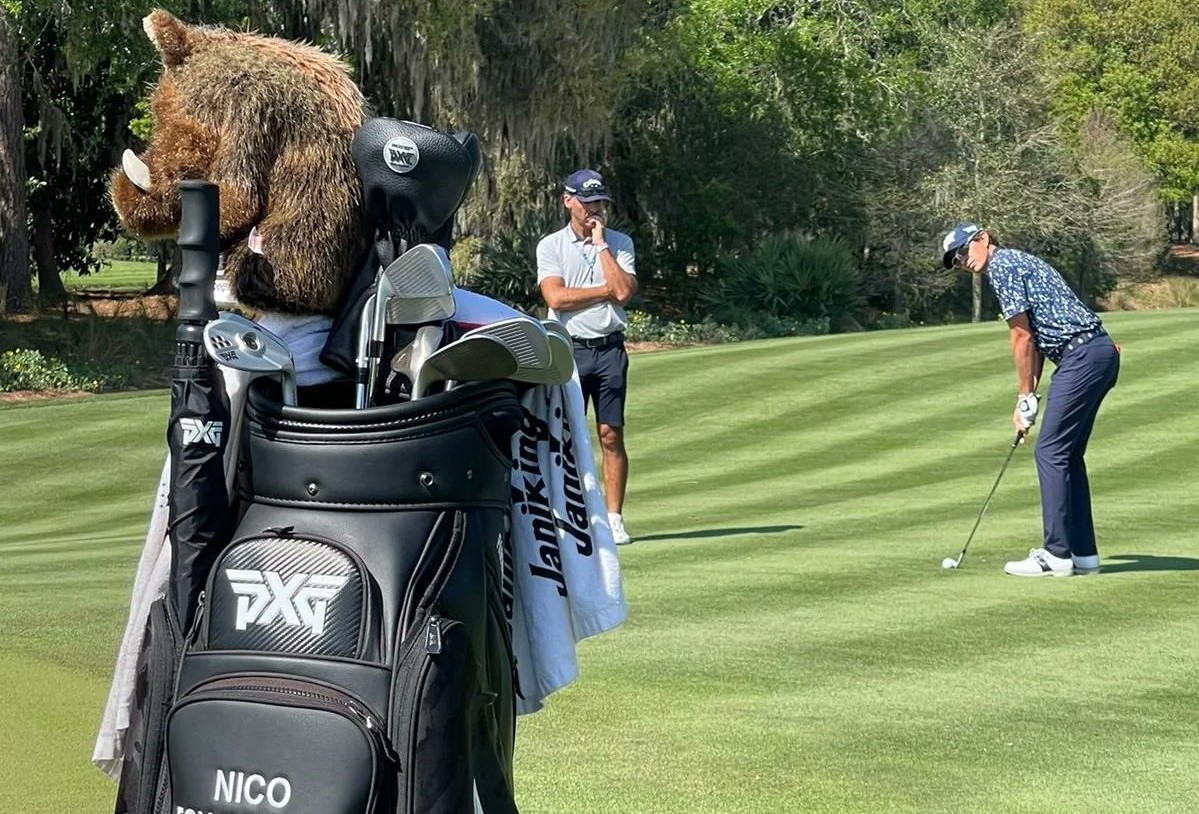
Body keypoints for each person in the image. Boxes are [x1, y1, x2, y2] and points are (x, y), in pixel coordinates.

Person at [942, 224, 1120, 576]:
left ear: (983, 238)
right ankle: (1083, 554)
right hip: (1097, 353)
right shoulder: (1018, 262)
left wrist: (1025, 393)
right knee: (1067, 455)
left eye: (963, 251)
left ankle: (1055, 554)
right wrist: (1029, 397)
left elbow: (1021, 336)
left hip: (1081, 356)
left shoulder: (1002, 267)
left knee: (1050, 452)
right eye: (956, 259)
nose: (963, 261)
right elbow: (1036, 337)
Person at [537, 169, 638, 545]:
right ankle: (569, 514)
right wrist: (603, 290)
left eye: (599, 202)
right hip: (570, 350)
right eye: (586, 201)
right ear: (568, 201)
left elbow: (624, 291)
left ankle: (614, 518)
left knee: (611, 434)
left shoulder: (618, 242)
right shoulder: (551, 246)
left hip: (610, 349)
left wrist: (601, 246)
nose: (594, 208)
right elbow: (556, 299)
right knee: (566, 436)